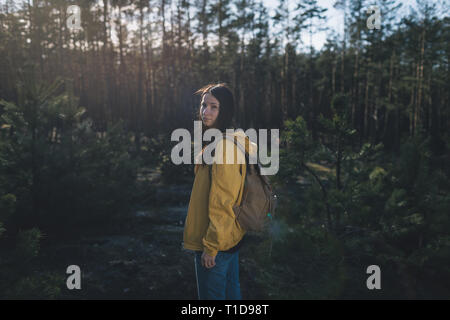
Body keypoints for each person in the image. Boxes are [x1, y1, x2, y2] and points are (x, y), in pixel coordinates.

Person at [182, 83, 257, 300]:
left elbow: (223, 200)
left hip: (216, 244)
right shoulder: (225, 141)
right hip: (230, 238)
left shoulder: (224, 147)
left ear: (225, 111)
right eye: (204, 105)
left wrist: (211, 247)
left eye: (214, 107)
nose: (206, 112)